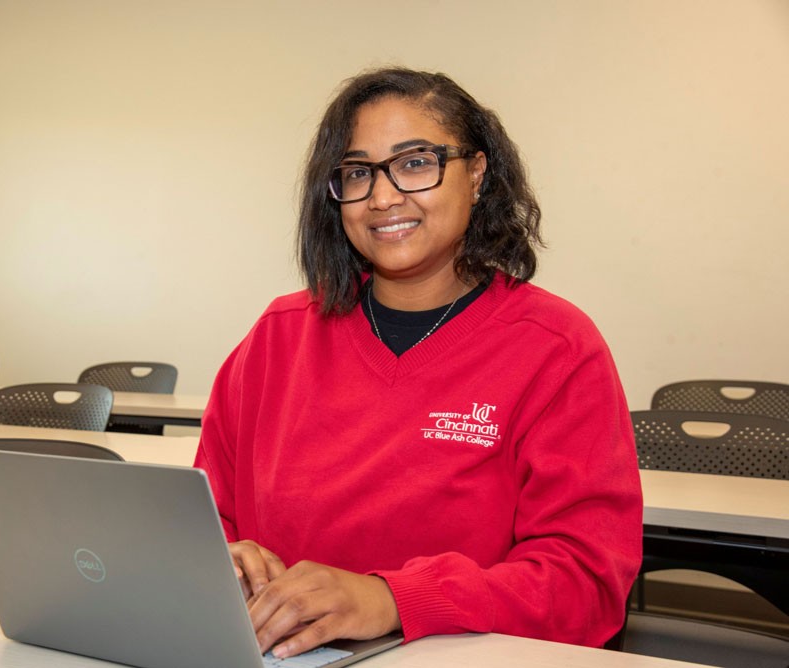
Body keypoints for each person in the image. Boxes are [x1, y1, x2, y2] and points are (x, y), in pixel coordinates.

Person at [193, 67, 642, 659]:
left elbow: (584, 581)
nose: (382, 197)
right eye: (356, 173)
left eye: (414, 163)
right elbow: (203, 520)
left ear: (476, 174)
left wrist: (391, 600)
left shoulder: (555, 346)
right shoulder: (276, 339)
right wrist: (219, 562)